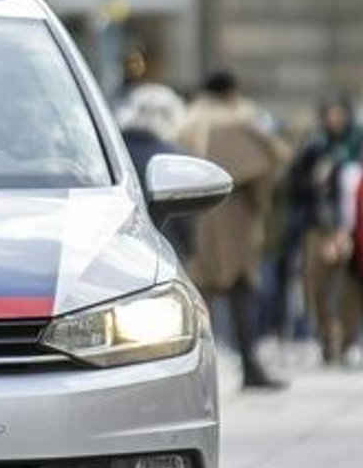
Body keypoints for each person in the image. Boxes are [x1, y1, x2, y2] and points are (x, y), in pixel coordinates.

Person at [178, 70, 295, 391]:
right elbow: (274, 157)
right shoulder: (239, 120)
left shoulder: (185, 121)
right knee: (242, 291)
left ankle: (189, 375)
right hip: (234, 220)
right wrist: (260, 203)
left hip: (195, 220)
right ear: (231, 92)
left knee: (198, 299)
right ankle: (251, 366)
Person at [288, 97, 363, 366]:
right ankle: (326, 336)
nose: (335, 120)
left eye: (339, 115)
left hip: (354, 228)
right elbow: (294, 187)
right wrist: (313, 181)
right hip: (320, 226)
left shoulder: (357, 146)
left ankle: (347, 342)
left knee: (349, 288)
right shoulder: (315, 148)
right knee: (316, 284)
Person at [116, 83, 194, 257]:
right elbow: (186, 222)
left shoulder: (111, 152)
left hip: (115, 256)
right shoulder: (175, 158)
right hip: (163, 257)